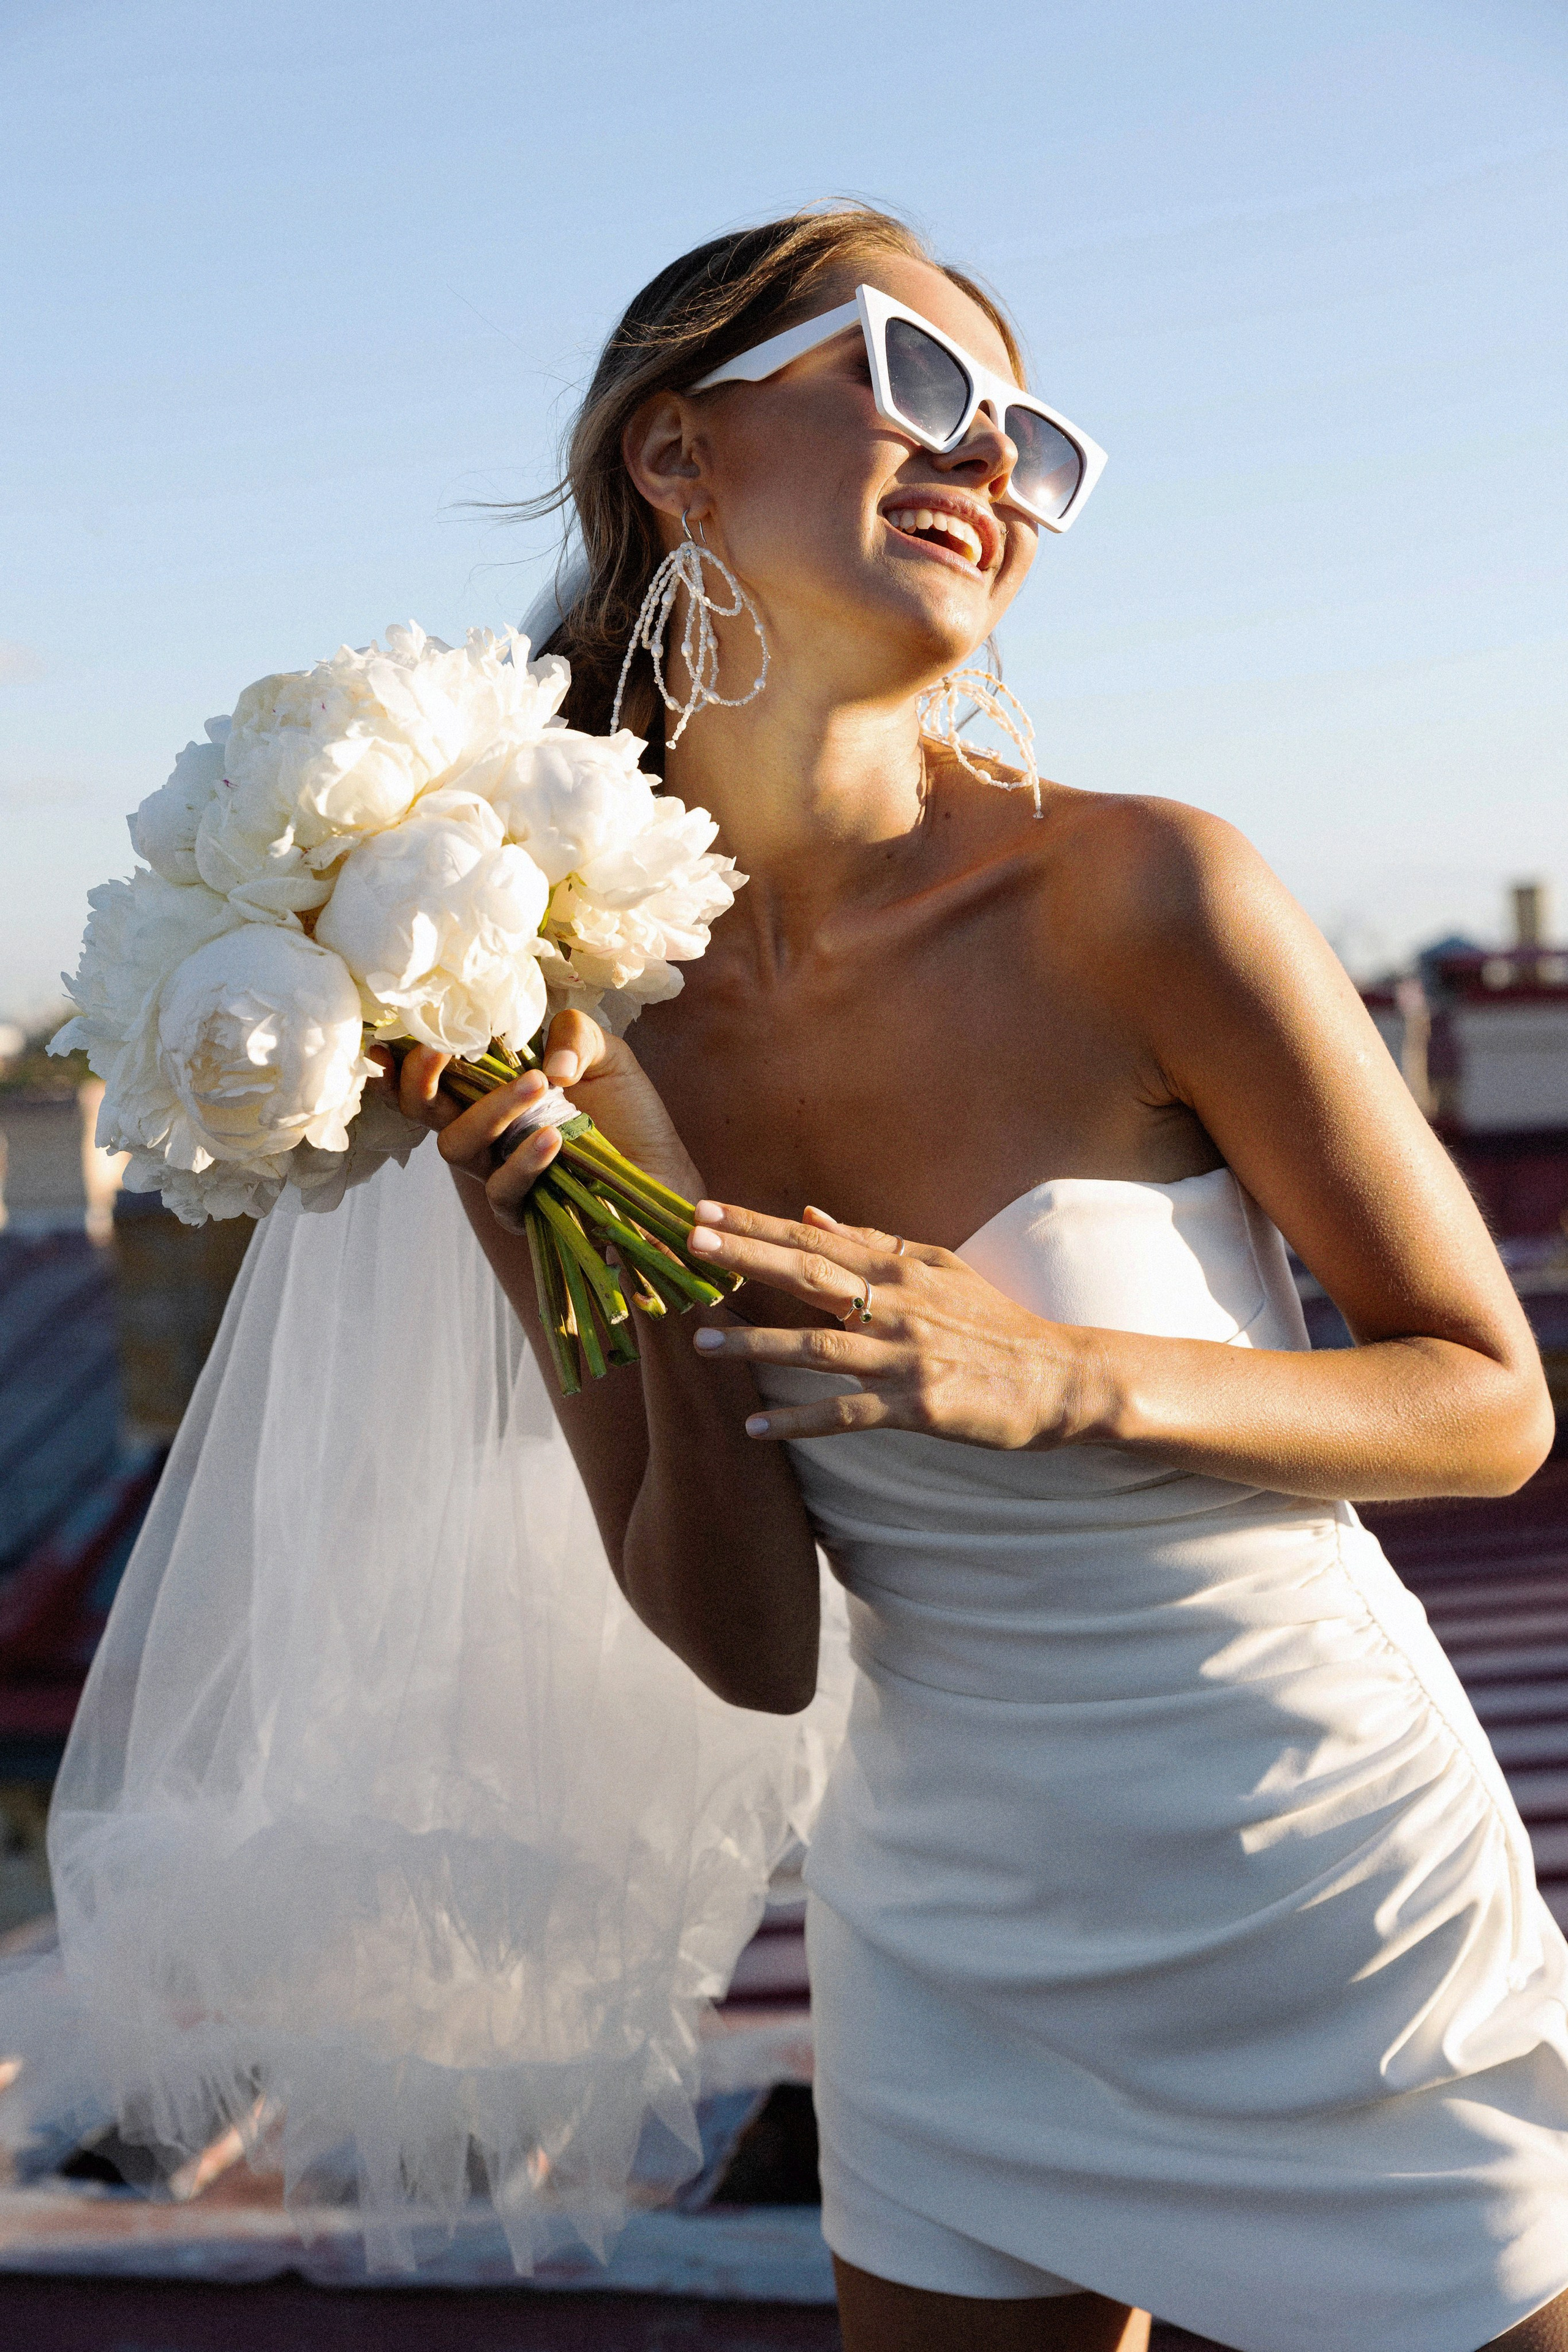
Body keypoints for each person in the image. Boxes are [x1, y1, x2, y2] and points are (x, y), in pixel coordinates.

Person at [384, 205, 1568, 2352]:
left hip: (1326, 1903)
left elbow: (1490, 1400)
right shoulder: (550, 1014)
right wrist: (643, 1226)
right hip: (944, 1950)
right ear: (677, 457)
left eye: (1030, 434)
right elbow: (745, 1650)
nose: (988, 460)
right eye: (915, 381)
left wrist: (1062, 1376)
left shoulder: (1147, 890)